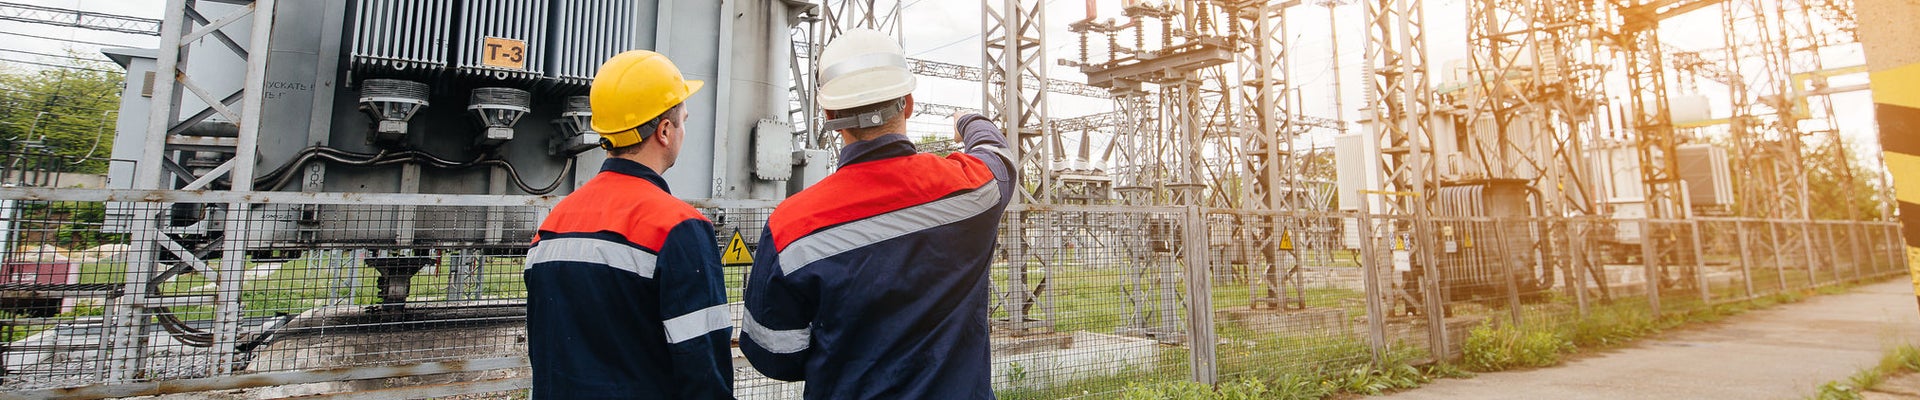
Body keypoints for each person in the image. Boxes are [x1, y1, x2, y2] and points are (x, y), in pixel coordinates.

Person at [739, 28, 1017, 399]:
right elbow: (998, 156)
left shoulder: (792, 226)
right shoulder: (973, 191)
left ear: (829, 113)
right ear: (909, 104)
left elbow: (773, 354)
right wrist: (968, 119)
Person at [523, 50, 733, 399]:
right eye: (684, 119)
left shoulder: (554, 225)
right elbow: (704, 372)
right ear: (665, 131)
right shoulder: (679, 228)